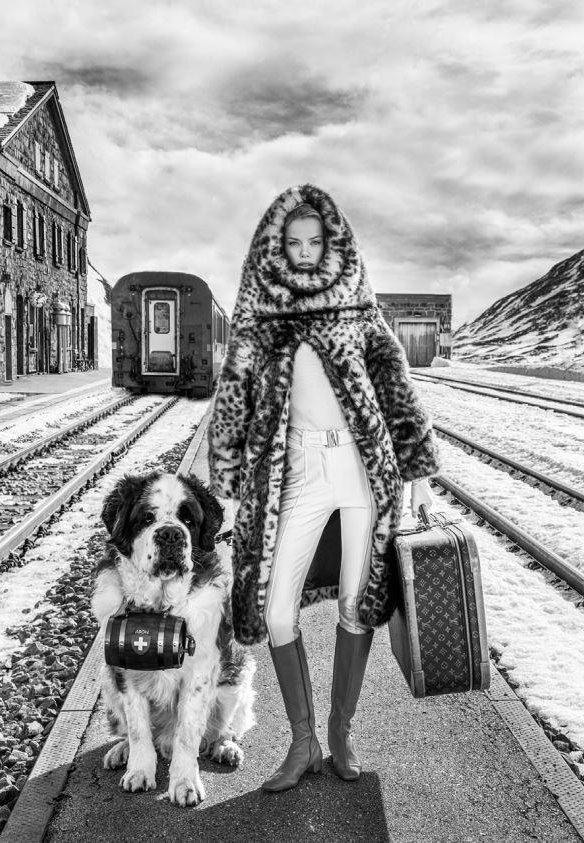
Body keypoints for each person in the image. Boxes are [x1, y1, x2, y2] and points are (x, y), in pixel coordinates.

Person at [209, 183, 440, 792]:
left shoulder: (361, 315)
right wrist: (227, 488)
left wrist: (418, 475)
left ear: (332, 245)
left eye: (316, 242)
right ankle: (300, 740)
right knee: (275, 607)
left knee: (355, 601)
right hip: (296, 474)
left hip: (364, 473)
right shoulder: (260, 322)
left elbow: (399, 393)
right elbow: (231, 405)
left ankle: (339, 734)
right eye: (295, 243)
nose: (306, 253)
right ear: (277, 247)